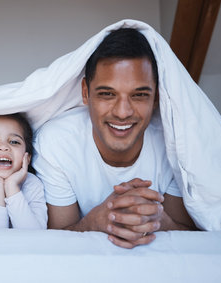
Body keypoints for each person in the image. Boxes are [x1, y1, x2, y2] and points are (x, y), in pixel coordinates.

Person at [33, 28, 197, 248]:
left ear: (156, 97)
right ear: (85, 92)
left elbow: (192, 236)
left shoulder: (176, 141)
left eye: (139, 95)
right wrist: (95, 221)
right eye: (107, 94)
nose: (122, 112)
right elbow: (59, 238)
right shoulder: (56, 142)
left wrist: (160, 220)